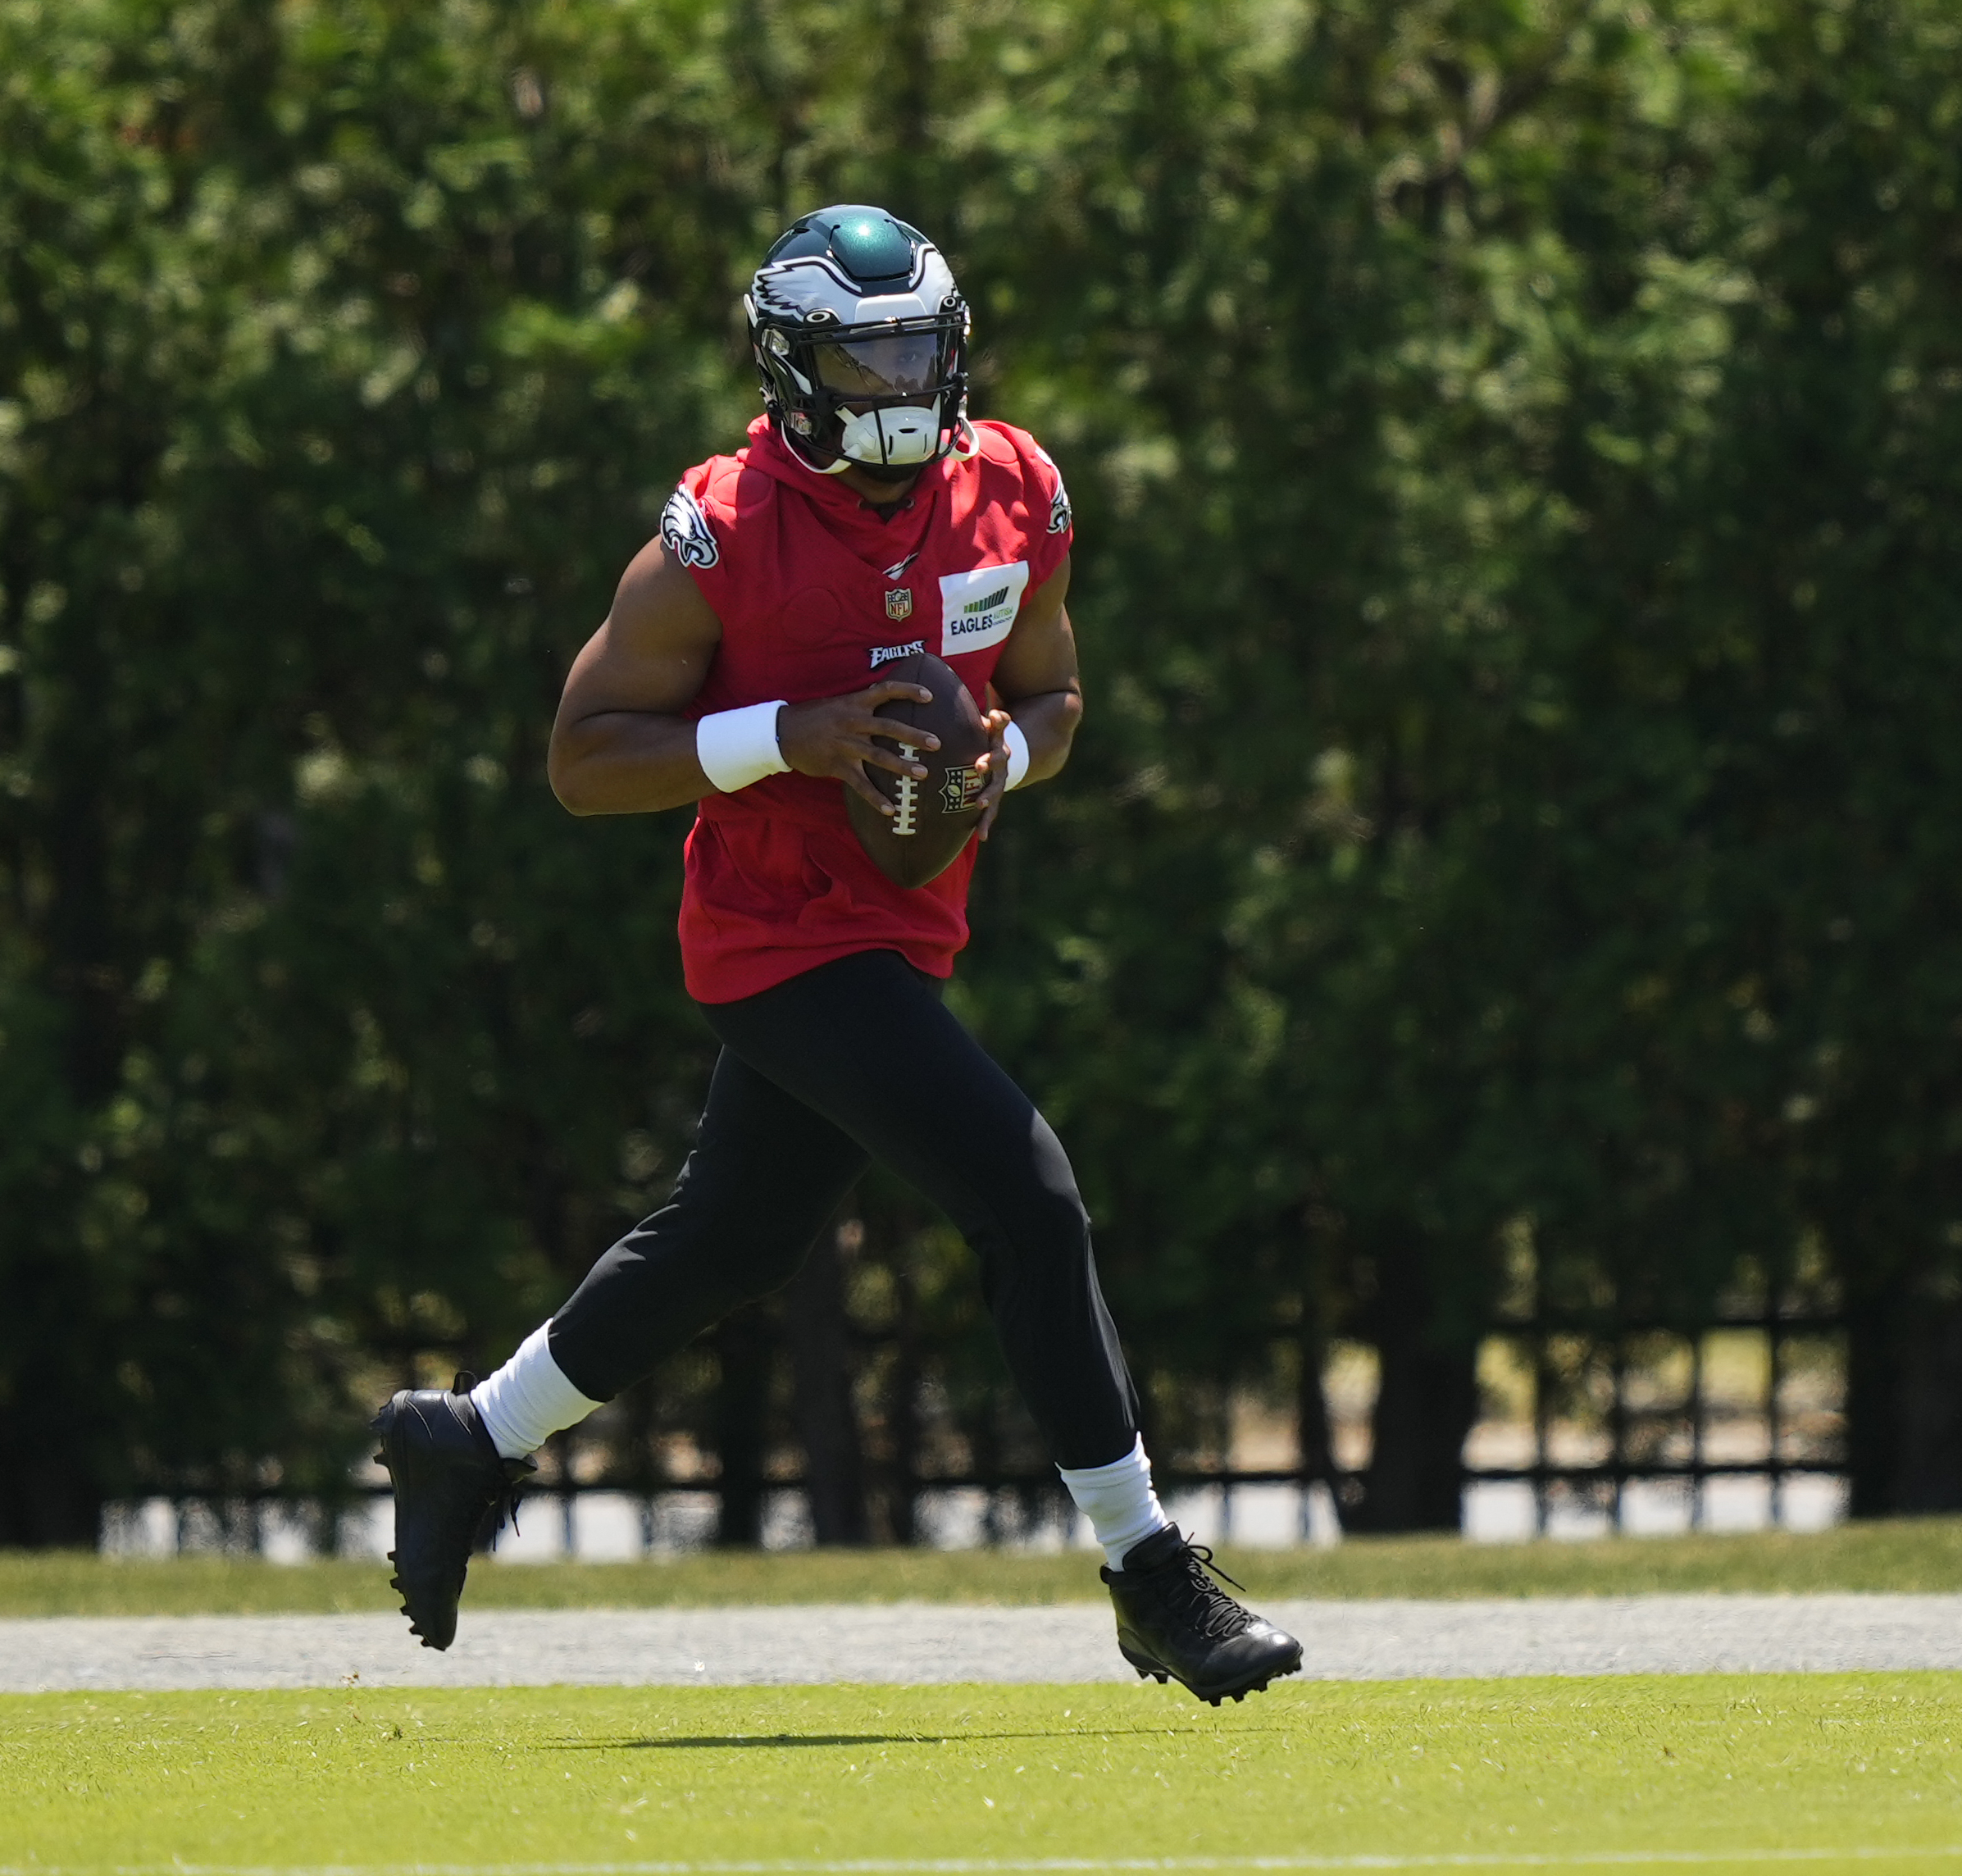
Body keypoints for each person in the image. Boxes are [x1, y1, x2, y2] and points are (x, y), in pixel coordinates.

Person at [371, 205, 1303, 1705]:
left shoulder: (1017, 488)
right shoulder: (723, 528)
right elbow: (583, 758)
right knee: (1027, 1194)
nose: (897, 382)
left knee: (734, 1242)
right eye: (862, 354)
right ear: (794, 367)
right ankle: (1148, 1570)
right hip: (776, 938)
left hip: (905, 923)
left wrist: (1007, 760)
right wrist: (789, 735)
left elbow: (1056, 699)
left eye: (916, 349)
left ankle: (466, 1437)